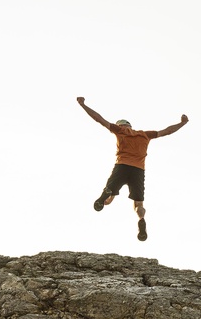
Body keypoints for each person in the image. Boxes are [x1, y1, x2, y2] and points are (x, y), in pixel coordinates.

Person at [76, 97, 189, 241]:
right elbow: (167, 131)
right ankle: (141, 219)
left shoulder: (119, 131)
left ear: (121, 126)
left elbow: (99, 119)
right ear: (130, 125)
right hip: (138, 171)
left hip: (122, 166)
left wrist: (82, 105)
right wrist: (182, 123)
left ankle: (107, 194)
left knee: (109, 197)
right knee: (138, 204)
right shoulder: (144, 135)